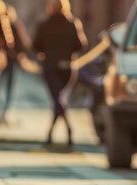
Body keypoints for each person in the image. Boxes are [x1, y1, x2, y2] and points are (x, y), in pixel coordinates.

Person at [33, 0, 87, 145]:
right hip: (67, 68)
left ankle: (66, 129)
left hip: (50, 67)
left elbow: (35, 45)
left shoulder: (43, 25)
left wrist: (46, 52)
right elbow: (80, 45)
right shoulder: (72, 23)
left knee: (58, 99)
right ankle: (53, 133)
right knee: (59, 98)